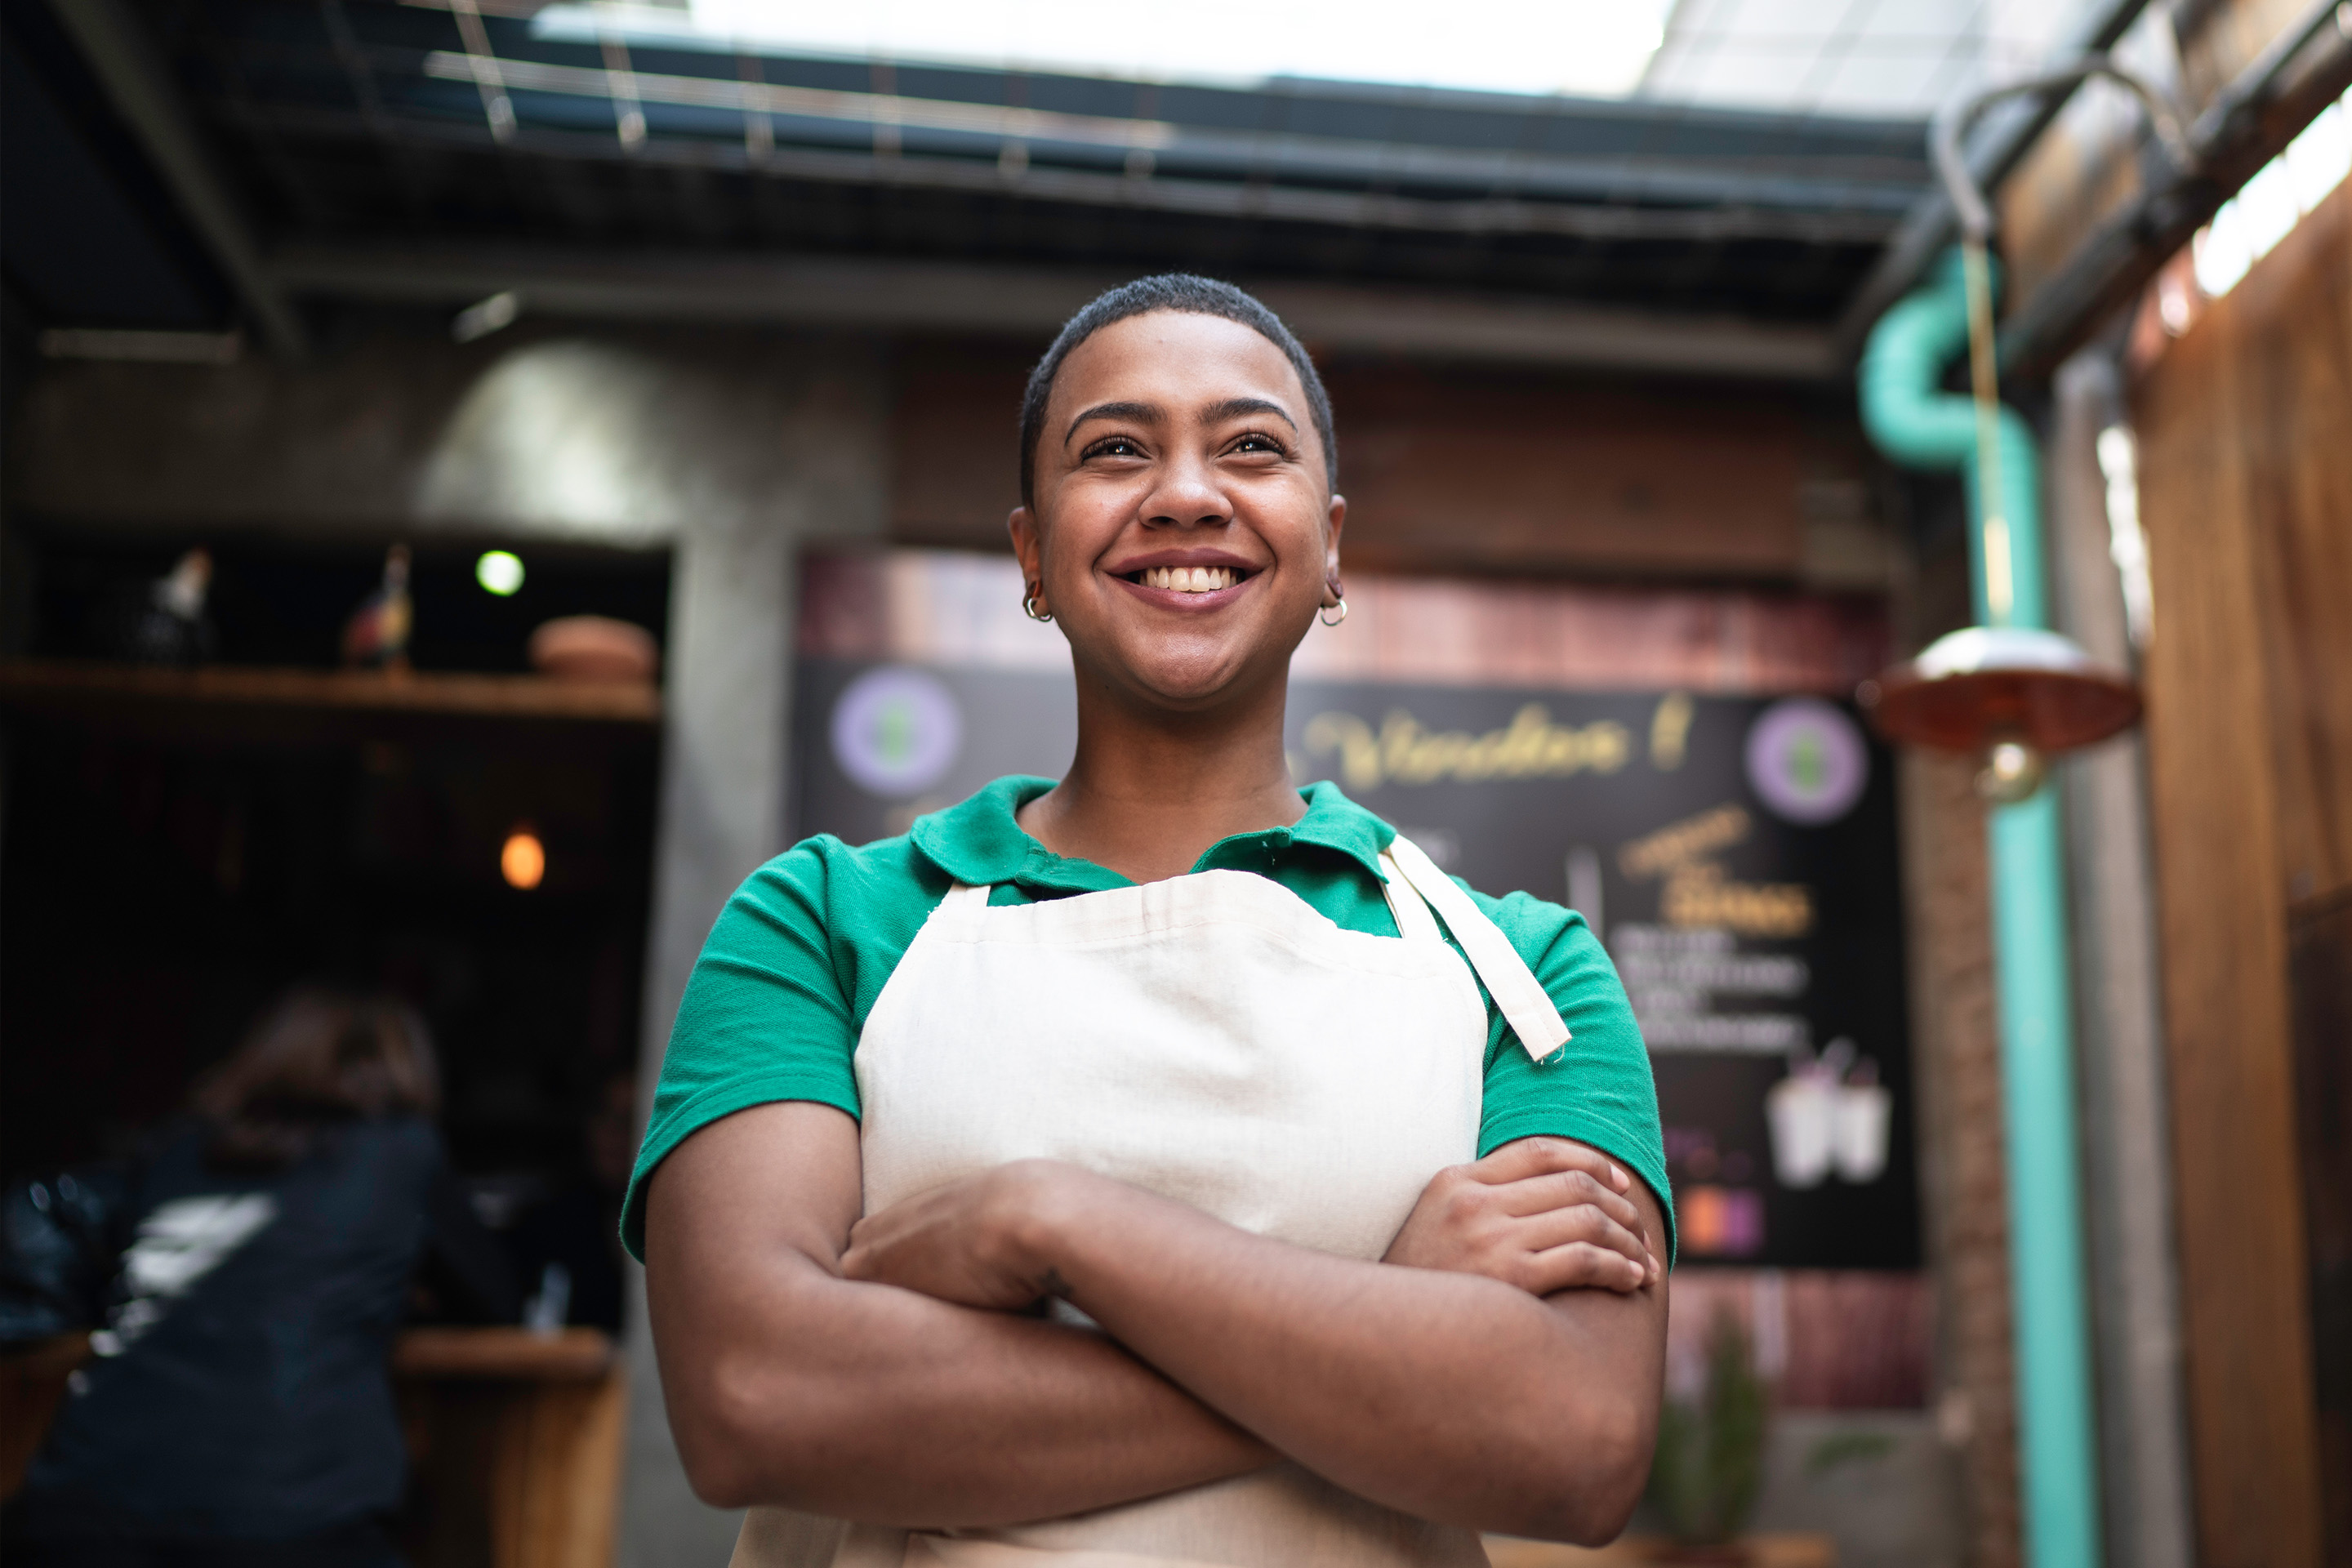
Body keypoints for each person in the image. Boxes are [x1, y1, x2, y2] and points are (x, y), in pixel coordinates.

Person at [633, 274, 1674, 1568]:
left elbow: (1573, 1442)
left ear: (1330, 543)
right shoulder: (818, 925)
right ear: (1032, 554)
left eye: (1251, 447)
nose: (1187, 492)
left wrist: (1054, 1223)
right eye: (1116, 450)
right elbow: (757, 1400)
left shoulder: (1527, 974)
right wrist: (1397, 1323)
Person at [5, 988, 516, 1567]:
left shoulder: (177, 1146)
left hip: (81, 1500)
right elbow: (495, 1301)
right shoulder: (404, 1153)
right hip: (285, 1515)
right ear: (402, 1071)